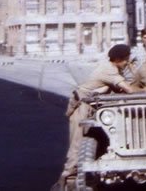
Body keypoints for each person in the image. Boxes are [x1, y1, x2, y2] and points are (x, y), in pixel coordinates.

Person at [53, 44, 134, 191]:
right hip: (82, 107)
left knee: (86, 146)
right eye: (125, 60)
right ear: (116, 59)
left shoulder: (113, 68)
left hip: (89, 107)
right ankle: (66, 182)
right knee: (77, 147)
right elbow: (129, 89)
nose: (127, 63)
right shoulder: (109, 70)